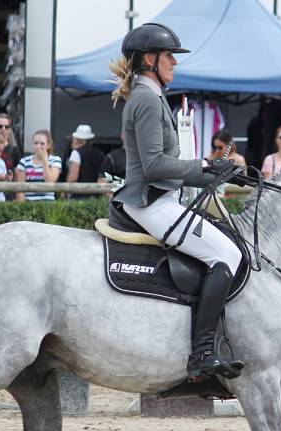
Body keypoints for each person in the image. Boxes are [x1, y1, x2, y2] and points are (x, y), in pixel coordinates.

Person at [108, 22, 244, 381]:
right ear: (150, 59)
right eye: (170, 55)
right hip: (152, 203)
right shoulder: (147, 99)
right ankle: (201, 354)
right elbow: (154, 166)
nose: (175, 62)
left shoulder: (148, 96)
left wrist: (214, 172)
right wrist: (203, 165)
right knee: (228, 254)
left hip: (160, 198)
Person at [15, 129, 62, 202]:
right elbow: (20, 189)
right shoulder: (24, 162)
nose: (38, 146)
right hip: (28, 203)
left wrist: (44, 161)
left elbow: (50, 182)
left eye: (42, 144)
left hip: (48, 203)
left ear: (48, 145)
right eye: (36, 143)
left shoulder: (55, 160)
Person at [66, 124, 106, 198]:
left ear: (77, 139)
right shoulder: (100, 154)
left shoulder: (76, 153)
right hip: (95, 196)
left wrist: (65, 191)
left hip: (79, 195)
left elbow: (73, 177)